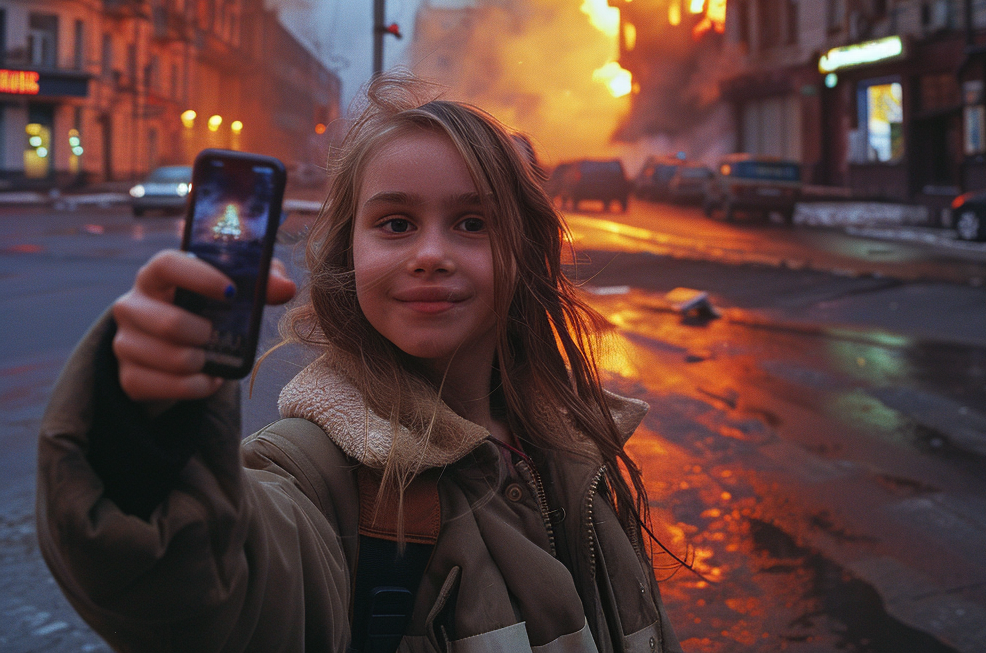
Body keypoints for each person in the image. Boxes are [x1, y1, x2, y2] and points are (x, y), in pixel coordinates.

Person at [37, 72, 681, 653]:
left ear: (528, 253)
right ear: (348, 254)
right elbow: (204, 597)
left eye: (473, 223)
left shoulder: (580, 448)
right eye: (396, 224)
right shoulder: (317, 476)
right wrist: (142, 430)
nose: (431, 253)